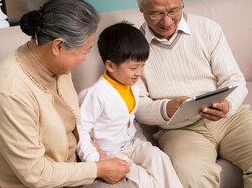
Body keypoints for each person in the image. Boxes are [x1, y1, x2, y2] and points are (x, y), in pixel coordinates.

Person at [133, 0, 252, 187]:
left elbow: (235, 79)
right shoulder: (132, 48)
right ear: (141, 7)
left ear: (182, 0)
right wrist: (167, 108)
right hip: (180, 130)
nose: (167, 21)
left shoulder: (208, 29)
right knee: (191, 177)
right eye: (156, 13)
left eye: (174, 10)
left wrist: (227, 104)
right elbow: (136, 105)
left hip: (230, 120)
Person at [0, 0, 135, 188]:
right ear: (58, 46)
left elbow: (71, 127)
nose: (84, 59)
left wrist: (91, 148)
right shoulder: (7, 94)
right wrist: (99, 169)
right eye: (85, 52)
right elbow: (36, 175)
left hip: (71, 172)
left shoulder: (57, 67)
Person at [76, 21, 182, 188]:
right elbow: (80, 131)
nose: (139, 72)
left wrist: (141, 142)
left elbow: (130, 120)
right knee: (144, 179)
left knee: (159, 157)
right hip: (111, 152)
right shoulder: (94, 95)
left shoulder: (133, 86)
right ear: (110, 65)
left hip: (132, 144)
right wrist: (96, 161)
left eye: (142, 65)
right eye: (134, 67)